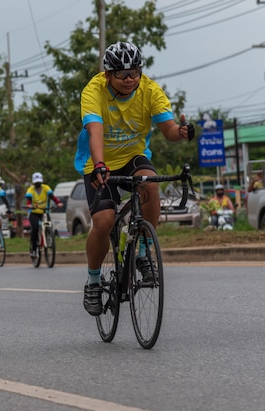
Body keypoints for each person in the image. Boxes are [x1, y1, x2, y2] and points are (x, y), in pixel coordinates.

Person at [75, 41, 195, 316]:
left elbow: (169, 130)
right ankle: (93, 281)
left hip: (133, 156)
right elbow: (95, 131)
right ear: (108, 75)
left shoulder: (150, 90)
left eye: (135, 73)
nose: (130, 80)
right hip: (99, 160)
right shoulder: (94, 91)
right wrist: (100, 165)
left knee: (150, 183)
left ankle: (143, 250)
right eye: (122, 75)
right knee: (104, 221)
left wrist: (184, 132)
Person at [25, 172, 63, 258]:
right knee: (35, 228)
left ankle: (48, 238)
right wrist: (29, 205)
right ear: (33, 182)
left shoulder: (46, 188)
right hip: (34, 213)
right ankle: (34, 249)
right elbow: (28, 200)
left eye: (39, 182)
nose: (38, 184)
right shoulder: (30, 190)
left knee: (49, 225)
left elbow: (53, 197)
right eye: (36, 182)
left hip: (44, 212)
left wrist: (58, 203)